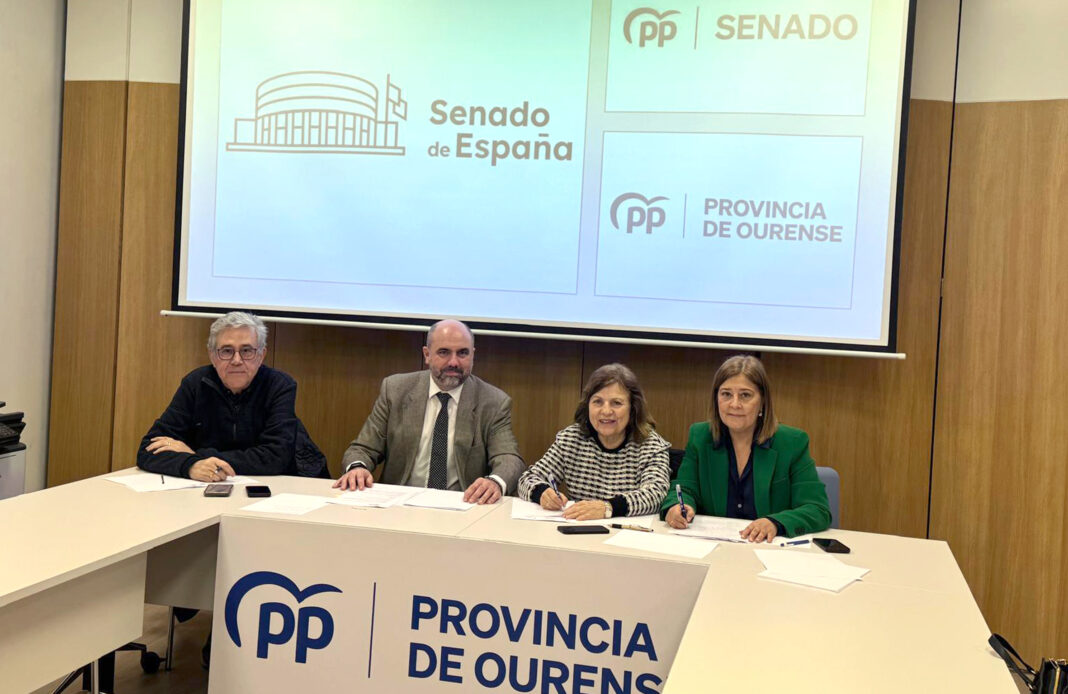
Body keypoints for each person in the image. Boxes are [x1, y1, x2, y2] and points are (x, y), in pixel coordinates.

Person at [334, 319, 523, 503]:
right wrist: (357, 468)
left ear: (473, 355)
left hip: (461, 504)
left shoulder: (493, 401)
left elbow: (508, 458)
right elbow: (363, 448)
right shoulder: (395, 390)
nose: (454, 362)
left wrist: (495, 482)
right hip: (399, 502)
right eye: (444, 352)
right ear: (427, 354)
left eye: (462, 353)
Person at [137, 311, 328, 481]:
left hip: (277, 490)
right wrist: (191, 465)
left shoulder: (279, 385)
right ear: (212, 356)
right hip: (210, 489)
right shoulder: (196, 384)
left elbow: (275, 458)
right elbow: (148, 449)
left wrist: (196, 455)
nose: (237, 360)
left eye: (247, 351)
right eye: (227, 351)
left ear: (261, 355)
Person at [661, 355, 831, 542]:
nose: (734, 404)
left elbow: (817, 509)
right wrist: (676, 507)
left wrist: (775, 522)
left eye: (745, 395)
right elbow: (683, 489)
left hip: (767, 548)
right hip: (715, 546)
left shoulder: (792, 442)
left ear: (763, 401)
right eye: (726, 394)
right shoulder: (700, 437)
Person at [517, 363, 671, 520]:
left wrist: (608, 508)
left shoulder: (650, 445)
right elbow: (527, 479)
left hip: (627, 531)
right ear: (588, 406)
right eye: (598, 402)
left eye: (616, 403)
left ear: (633, 408)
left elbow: (656, 495)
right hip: (576, 528)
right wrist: (542, 492)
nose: (606, 411)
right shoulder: (572, 439)